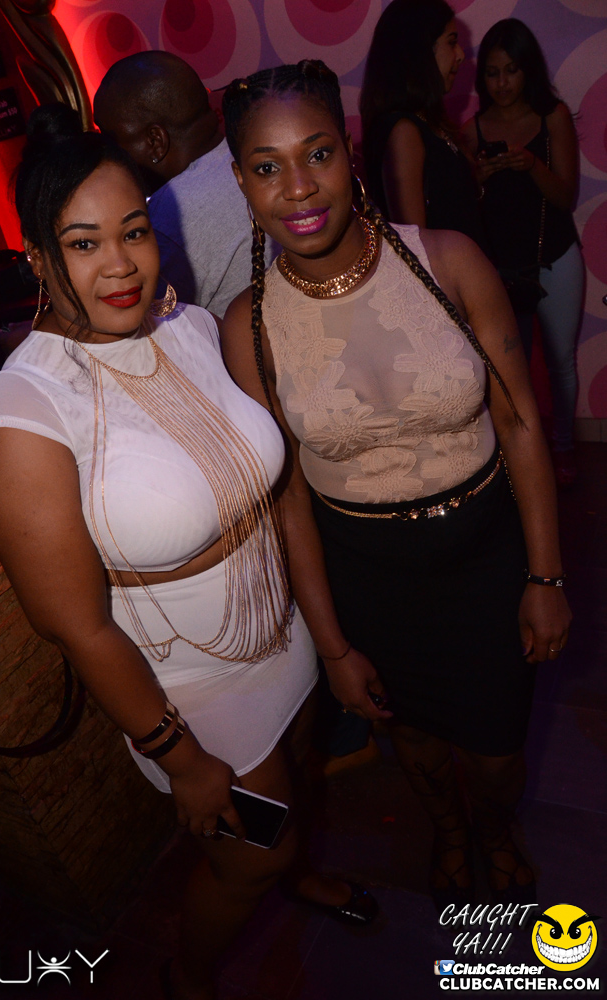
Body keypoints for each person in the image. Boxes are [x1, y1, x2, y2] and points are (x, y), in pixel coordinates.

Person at [0, 105, 379, 1000]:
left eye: (133, 232)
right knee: (248, 861)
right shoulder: (25, 412)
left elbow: (275, 491)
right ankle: (187, 978)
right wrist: (179, 757)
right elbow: (76, 628)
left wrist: (328, 639)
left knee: (298, 789)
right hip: (192, 687)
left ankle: (300, 872)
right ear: (37, 259)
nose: (121, 264)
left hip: (282, 633)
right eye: (83, 244)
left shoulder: (189, 326)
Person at [221, 60, 571, 908]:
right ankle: (448, 831)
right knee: (410, 736)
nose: (298, 187)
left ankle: (494, 826)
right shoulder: (247, 327)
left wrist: (546, 575)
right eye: (267, 167)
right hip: (366, 571)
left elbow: (521, 423)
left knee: (498, 752)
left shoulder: (448, 261)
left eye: (317, 154)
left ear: (351, 152)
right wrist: (334, 646)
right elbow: (287, 496)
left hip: (487, 552)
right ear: (241, 181)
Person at [462, 19, 583, 487]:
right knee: (509, 370)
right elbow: (461, 210)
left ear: (527, 70)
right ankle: (518, 459)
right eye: (492, 72)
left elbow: (565, 197)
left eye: (511, 70)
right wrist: (480, 179)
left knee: (560, 362)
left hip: (555, 256)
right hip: (500, 268)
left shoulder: (553, 117)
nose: (502, 83)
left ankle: (565, 449)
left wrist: (531, 164)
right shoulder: (470, 130)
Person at [93, 51, 277, 318]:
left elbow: (137, 328)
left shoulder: (171, 215)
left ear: (155, 142)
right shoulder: (245, 158)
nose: (108, 154)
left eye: (111, 139)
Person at [360, 0, 484, 248]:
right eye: (451, 42)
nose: (461, 55)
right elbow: (414, 244)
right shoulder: (403, 131)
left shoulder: (429, 122)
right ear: (421, 51)